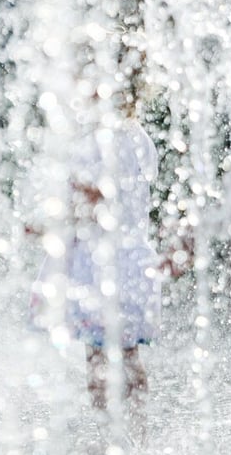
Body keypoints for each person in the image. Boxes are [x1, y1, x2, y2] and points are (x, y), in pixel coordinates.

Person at [27, 85, 162, 428]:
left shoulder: (101, 141)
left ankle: (115, 441)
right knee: (126, 355)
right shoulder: (139, 137)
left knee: (100, 362)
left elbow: (93, 202)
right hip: (132, 261)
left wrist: (48, 226)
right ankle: (136, 433)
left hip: (103, 267)